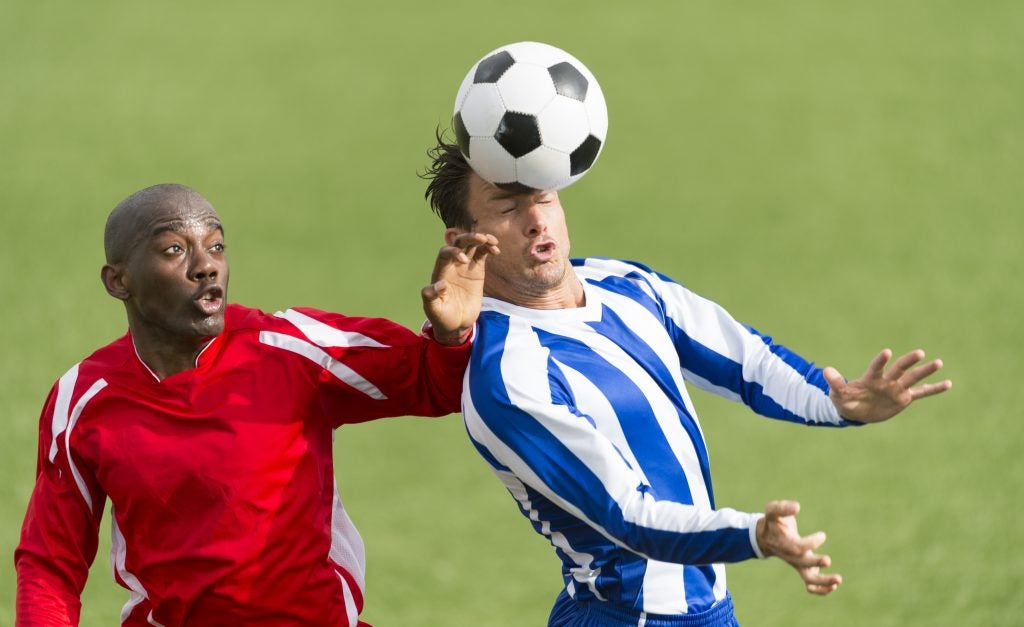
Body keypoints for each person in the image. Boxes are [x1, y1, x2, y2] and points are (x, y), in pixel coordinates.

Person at [421, 138, 952, 627]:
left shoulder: (625, 284)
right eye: (510, 208)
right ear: (465, 242)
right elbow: (628, 515)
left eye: (544, 197)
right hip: (629, 616)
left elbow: (747, 363)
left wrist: (839, 402)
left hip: (703, 611)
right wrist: (752, 535)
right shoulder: (508, 379)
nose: (537, 220)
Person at [15, 183, 498, 626]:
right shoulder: (84, 398)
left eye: (216, 246)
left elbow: (431, 383)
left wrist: (451, 335)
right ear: (118, 281)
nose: (206, 265)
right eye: (175, 249)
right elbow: (51, 562)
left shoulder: (290, 348)